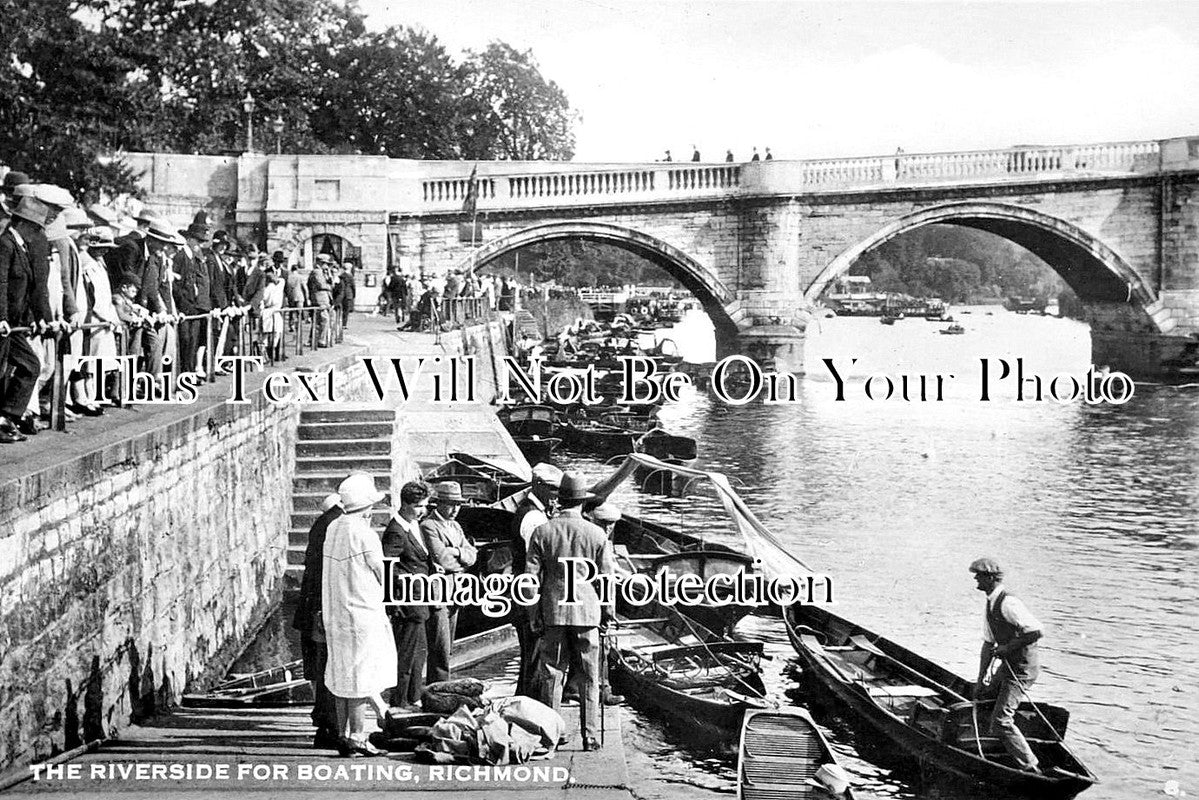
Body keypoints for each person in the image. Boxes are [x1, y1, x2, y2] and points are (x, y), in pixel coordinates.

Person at [525, 472, 615, 751]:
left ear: (560, 500)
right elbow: (607, 580)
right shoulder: (597, 533)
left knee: (553, 673)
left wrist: (532, 613)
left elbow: (530, 581)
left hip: (553, 612)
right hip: (587, 614)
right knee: (590, 676)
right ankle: (590, 736)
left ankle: (552, 734)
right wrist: (609, 616)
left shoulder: (543, 531)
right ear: (582, 503)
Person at [322, 472, 395, 757]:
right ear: (367, 507)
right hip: (362, 613)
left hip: (336, 613)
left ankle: (342, 734)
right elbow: (381, 573)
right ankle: (358, 737)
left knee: (341, 674)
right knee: (362, 678)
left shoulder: (334, 528)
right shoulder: (364, 533)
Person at [970, 557, 1044, 774]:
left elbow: (1036, 631)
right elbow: (988, 643)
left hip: (1021, 670)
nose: (975, 578)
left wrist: (1008, 647)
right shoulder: (990, 603)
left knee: (1001, 720)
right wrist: (980, 679)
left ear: (991, 578)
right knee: (983, 698)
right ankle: (988, 743)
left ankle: (1030, 766)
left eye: (979, 575)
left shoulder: (1008, 603)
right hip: (1008, 667)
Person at [292, 493, 343, 750]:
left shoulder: (321, 524)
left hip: (313, 607)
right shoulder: (334, 526)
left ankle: (324, 721)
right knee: (327, 667)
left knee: (319, 667)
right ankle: (329, 724)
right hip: (323, 609)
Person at [510, 463, 562, 696]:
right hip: (532, 596)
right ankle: (529, 709)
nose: (557, 495)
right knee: (534, 657)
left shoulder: (531, 511)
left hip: (526, 592)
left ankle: (526, 704)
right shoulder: (533, 517)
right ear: (538, 485)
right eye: (553, 489)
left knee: (531, 658)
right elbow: (540, 560)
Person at [381, 481, 433, 709]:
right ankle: (399, 703)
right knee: (406, 657)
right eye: (418, 506)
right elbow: (387, 567)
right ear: (405, 504)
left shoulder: (413, 526)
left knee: (419, 654)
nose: (422, 511)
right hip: (408, 604)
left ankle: (413, 698)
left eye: (425, 506)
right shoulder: (396, 531)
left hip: (420, 603)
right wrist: (407, 587)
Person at [421, 481, 477, 684]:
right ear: (438, 504)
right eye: (450, 504)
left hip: (455, 592)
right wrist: (461, 558)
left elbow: (473, 556)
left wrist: (456, 552)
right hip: (438, 594)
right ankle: (438, 689)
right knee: (440, 648)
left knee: (449, 646)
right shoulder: (429, 526)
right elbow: (441, 559)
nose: (455, 510)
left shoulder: (455, 526)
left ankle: (442, 688)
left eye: (458, 505)